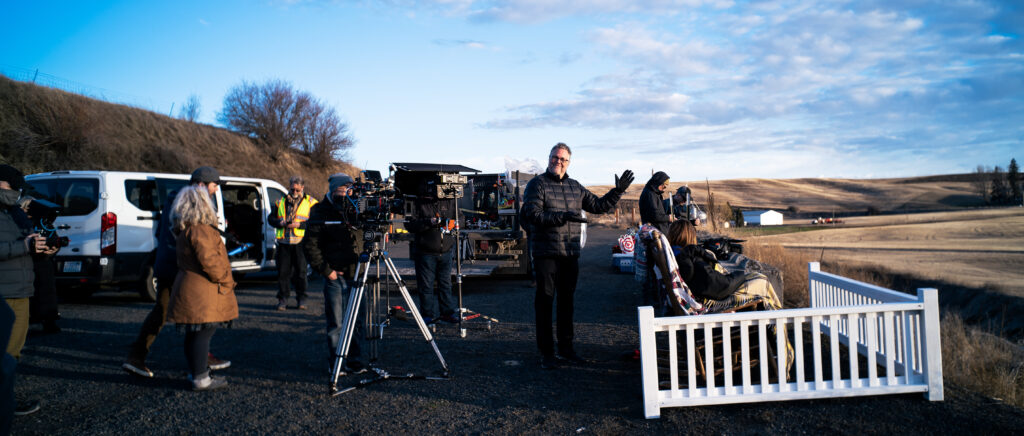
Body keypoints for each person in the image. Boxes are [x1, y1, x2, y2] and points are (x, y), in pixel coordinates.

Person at [520, 143, 633, 369]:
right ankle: (547, 352)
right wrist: (561, 217)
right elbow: (533, 214)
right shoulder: (537, 184)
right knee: (544, 302)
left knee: (567, 303)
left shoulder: (575, 187)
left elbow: (599, 206)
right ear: (549, 158)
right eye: (555, 157)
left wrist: (617, 191)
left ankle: (566, 348)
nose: (558, 162)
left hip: (569, 254)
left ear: (568, 162)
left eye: (563, 159)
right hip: (546, 254)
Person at [123, 167, 231, 378]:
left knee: (170, 312)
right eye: (214, 185)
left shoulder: (174, 199)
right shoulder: (191, 202)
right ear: (201, 184)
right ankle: (139, 357)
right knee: (191, 312)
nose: (216, 189)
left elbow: (160, 232)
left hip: (168, 263)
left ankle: (198, 357)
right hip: (180, 268)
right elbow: (189, 238)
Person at [165, 184, 239, 391]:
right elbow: (209, 259)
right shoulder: (201, 230)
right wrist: (226, 279)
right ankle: (201, 377)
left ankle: (197, 372)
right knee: (203, 333)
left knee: (195, 333)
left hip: (191, 286)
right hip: (203, 290)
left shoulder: (185, 228)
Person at [303, 173, 367, 373]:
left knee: (357, 322)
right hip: (335, 275)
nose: (349, 192)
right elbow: (311, 245)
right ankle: (336, 363)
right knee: (337, 323)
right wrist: (325, 270)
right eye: (345, 189)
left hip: (357, 273)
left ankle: (355, 361)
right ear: (334, 190)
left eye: (351, 189)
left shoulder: (357, 207)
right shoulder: (320, 211)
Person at [0, 164, 47, 416]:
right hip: (2, 293)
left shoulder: (16, 212)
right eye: (12, 187)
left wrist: (42, 249)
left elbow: (26, 245)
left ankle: (7, 402)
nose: (16, 192)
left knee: (13, 354)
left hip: (22, 291)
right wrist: (23, 246)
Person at [666, 220, 782, 309]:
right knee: (763, 282)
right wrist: (740, 275)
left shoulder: (675, 255)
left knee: (757, 279)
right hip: (711, 303)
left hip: (696, 297)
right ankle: (779, 334)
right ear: (691, 236)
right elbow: (721, 286)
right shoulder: (690, 257)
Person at [404, 180, 459, 324]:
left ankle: (447, 313)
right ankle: (427, 315)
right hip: (425, 251)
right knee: (426, 286)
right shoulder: (416, 202)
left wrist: (453, 224)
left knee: (445, 284)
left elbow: (460, 218)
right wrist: (429, 222)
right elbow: (409, 225)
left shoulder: (449, 201)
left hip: (446, 250)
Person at [269, 175, 317, 311]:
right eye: (292, 189)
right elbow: (270, 218)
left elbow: (315, 222)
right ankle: (282, 299)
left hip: (300, 243)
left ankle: (302, 299)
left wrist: (299, 225)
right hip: (283, 242)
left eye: (297, 190)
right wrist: (279, 222)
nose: (294, 192)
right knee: (283, 274)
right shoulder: (280, 202)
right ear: (289, 187)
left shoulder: (311, 202)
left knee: (301, 273)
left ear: (302, 188)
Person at [18, 197, 61, 334]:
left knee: (46, 292)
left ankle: (49, 319)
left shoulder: (44, 223)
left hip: (43, 262)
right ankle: (30, 319)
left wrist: (53, 249)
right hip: (25, 263)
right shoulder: (16, 222)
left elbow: (54, 238)